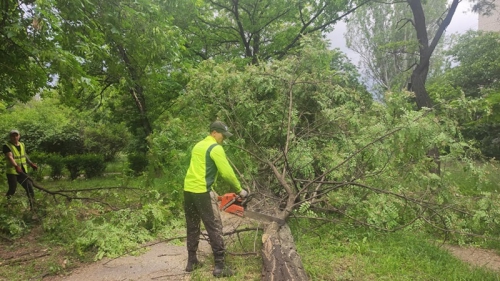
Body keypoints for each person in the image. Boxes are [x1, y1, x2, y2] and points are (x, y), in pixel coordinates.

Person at [183, 121, 248, 278]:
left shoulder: (198, 145)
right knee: (215, 227)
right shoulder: (215, 148)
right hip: (201, 192)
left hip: (189, 191)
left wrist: (213, 192)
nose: (223, 139)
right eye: (222, 135)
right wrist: (240, 190)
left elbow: (199, 172)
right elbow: (226, 173)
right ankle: (220, 266)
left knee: (192, 225)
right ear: (214, 132)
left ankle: (191, 261)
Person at [3, 129, 38, 210]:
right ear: (10, 137)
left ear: (19, 136)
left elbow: (24, 155)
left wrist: (31, 163)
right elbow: (10, 157)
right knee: (12, 189)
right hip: (12, 171)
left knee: (29, 187)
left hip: (22, 171)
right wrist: (16, 166)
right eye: (13, 136)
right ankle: (5, 206)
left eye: (16, 135)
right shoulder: (6, 146)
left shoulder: (22, 144)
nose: (14, 137)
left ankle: (33, 207)